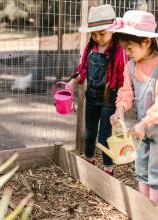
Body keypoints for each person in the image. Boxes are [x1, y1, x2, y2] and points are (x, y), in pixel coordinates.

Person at [69, 4, 126, 176]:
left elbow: (123, 79)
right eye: (94, 33)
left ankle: (108, 169)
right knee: (89, 133)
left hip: (109, 100)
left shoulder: (118, 51)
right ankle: (89, 160)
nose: (98, 37)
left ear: (112, 31)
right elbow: (83, 69)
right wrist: (75, 80)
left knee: (104, 137)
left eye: (102, 33)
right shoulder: (91, 47)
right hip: (92, 97)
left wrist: (120, 106)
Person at [109, 10, 158, 203]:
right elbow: (126, 91)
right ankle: (142, 208)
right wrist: (119, 109)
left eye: (130, 49)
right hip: (142, 131)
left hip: (152, 127)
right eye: (125, 49)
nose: (127, 54)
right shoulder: (131, 66)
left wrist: (144, 123)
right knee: (141, 167)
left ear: (146, 42)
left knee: (155, 171)